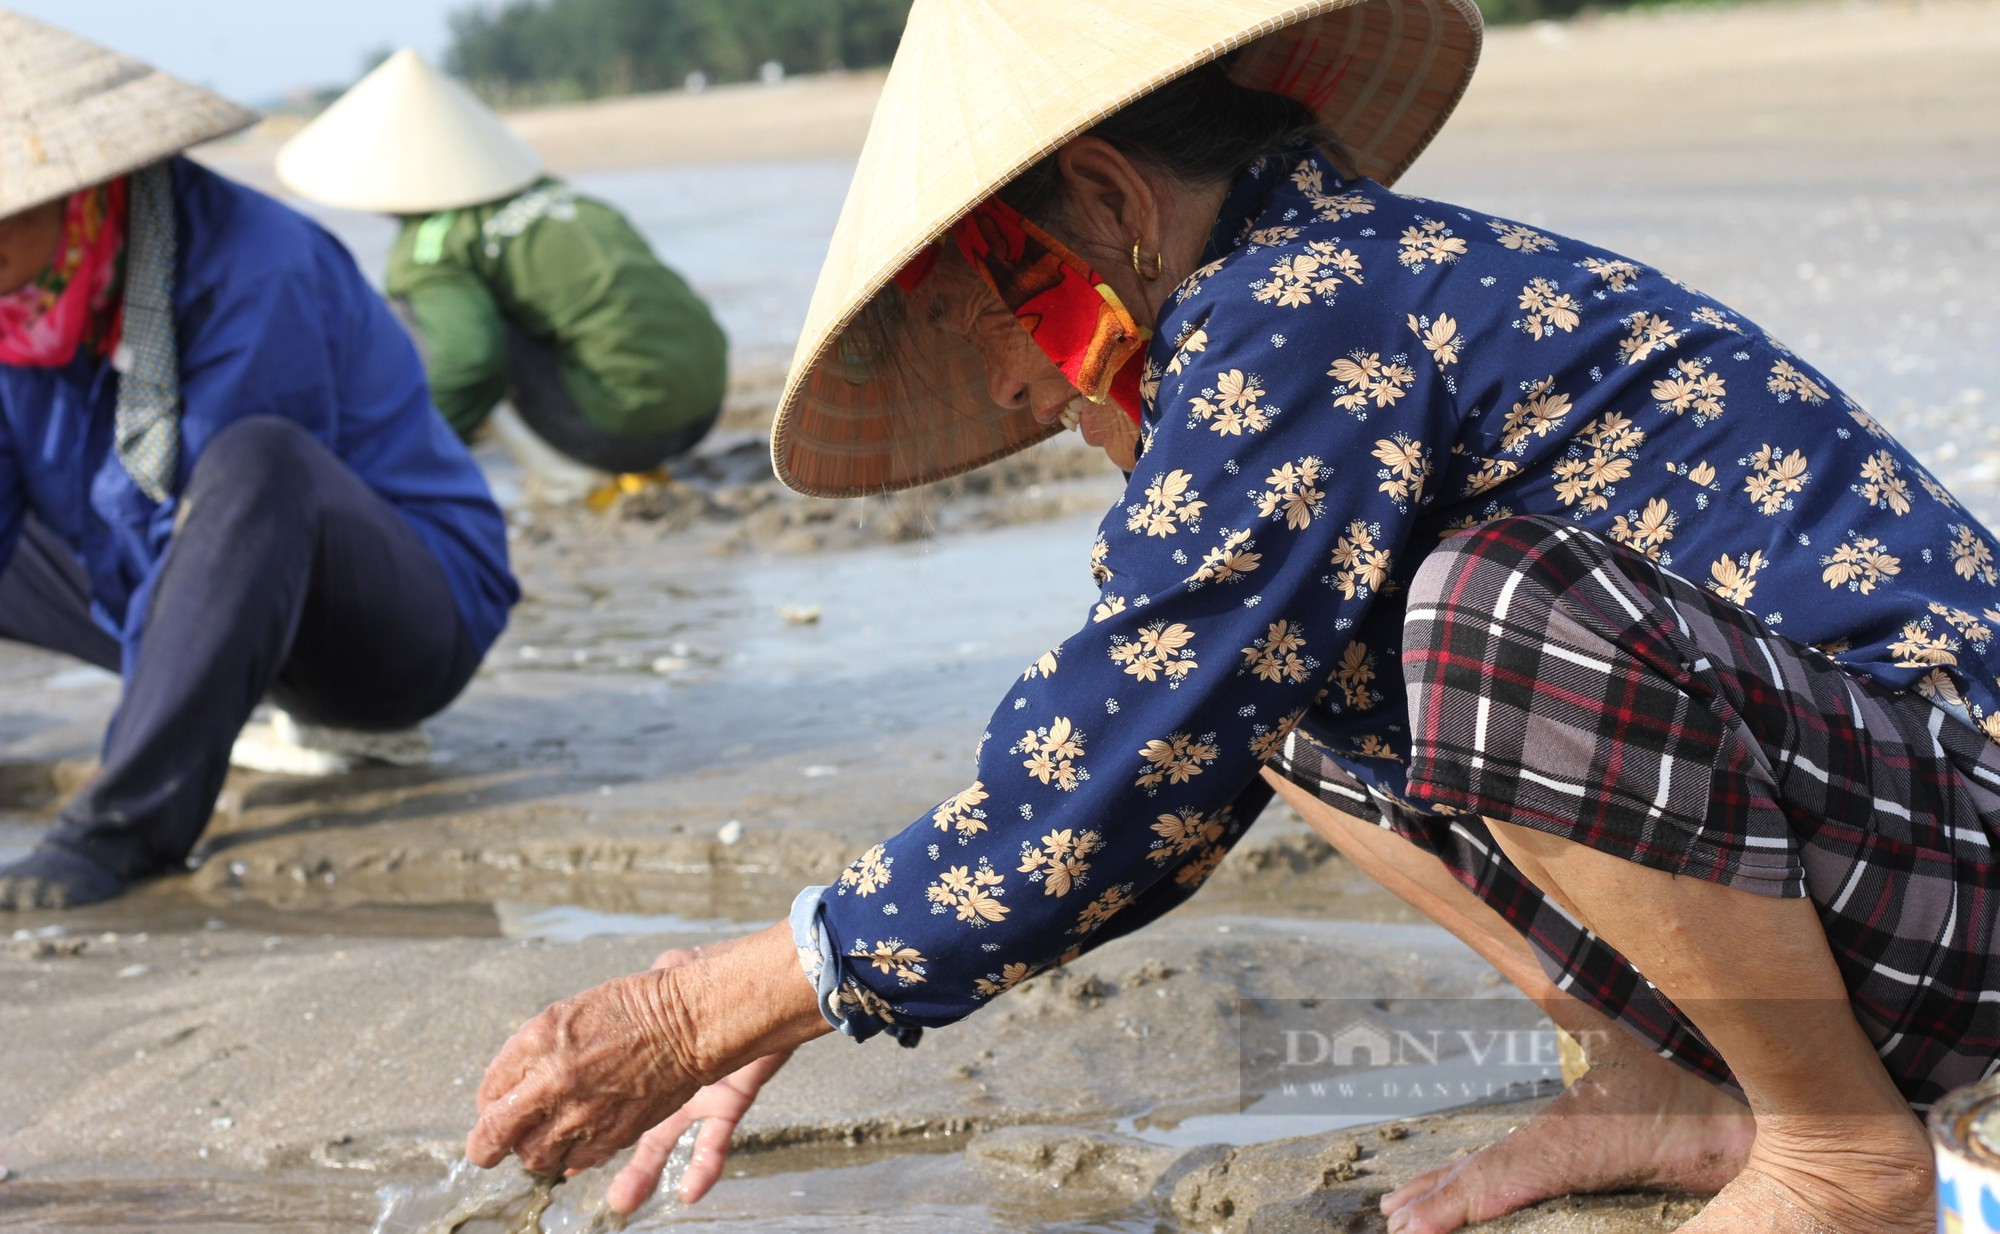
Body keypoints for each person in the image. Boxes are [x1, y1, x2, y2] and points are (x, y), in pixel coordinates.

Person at [461, 1, 1992, 1230]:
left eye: (994, 320)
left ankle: (1837, 1148)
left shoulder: (1301, 305)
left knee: (1482, 613)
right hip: (1863, 866)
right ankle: (1661, 1070)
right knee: (1285, 693)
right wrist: (803, 984)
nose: (1009, 385)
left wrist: (734, 989)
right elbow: (1160, 721)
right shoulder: (1315, 298)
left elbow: (1135, 747)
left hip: (1956, 854)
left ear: (1117, 204)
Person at [0, 14, 518, 909]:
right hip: (169, 589)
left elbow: (226, 534)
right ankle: (180, 718)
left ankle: (122, 830)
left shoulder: (253, 267)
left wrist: (141, 746)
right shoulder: (22, 307)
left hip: (390, 617)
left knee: (256, 461)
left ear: (79, 190)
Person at [276, 50, 730, 481]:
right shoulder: (556, 192)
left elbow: (470, 359)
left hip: (624, 432)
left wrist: (405, 448)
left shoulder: (431, 246)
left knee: (418, 318)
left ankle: (567, 479)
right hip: (707, 404)